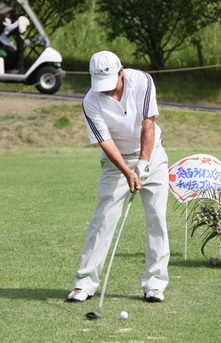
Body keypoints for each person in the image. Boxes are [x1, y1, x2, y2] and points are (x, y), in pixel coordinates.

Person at [68, 51, 170, 303]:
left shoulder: (143, 81)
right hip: (117, 163)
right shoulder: (90, 101)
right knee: (103, 218)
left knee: (156, 217)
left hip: (152, 156)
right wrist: (128, 172)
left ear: (121, 71)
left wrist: (143, 165)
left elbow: (148, 124)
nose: (107, 91)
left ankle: (155, 284)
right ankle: (84, 283)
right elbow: (105, 141)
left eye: (111, 84)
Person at [0, 3, 29, 72]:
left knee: (16, 53)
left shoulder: (6, 20)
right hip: (1, 43)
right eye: (6, 11)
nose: (8, 12)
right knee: (13, 53)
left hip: (4, 41)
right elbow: (6, 28)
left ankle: (9, 69)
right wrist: (18, 22)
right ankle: (8, 70)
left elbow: (11, 26)